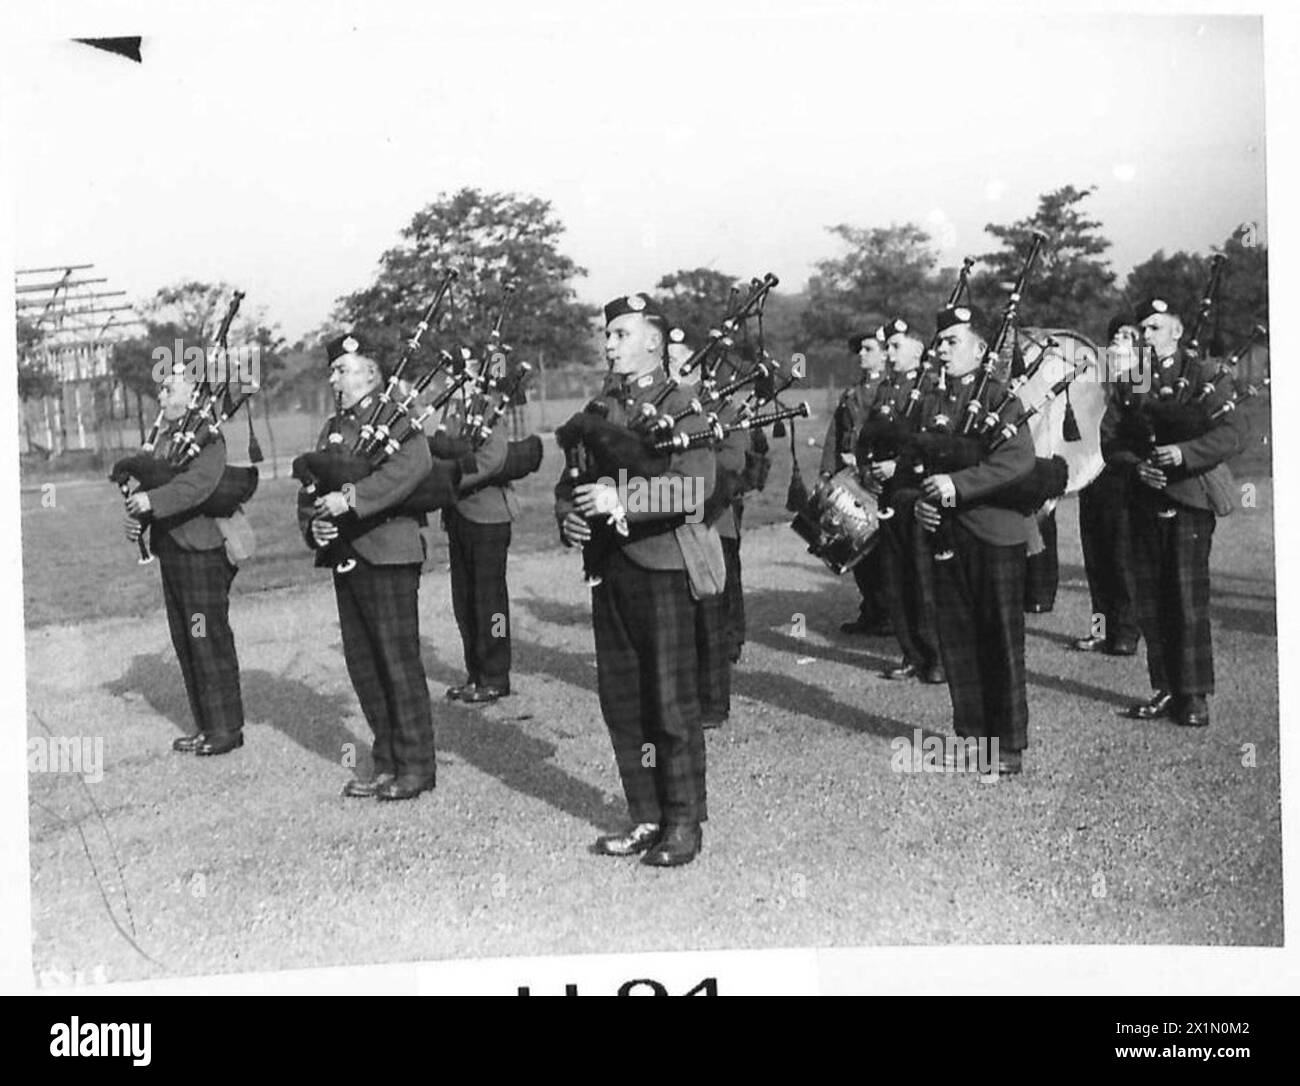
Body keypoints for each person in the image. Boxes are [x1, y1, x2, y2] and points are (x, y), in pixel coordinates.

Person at [556, 293, 721, 867]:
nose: (610, 344)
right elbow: (569, 482)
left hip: (662, 567)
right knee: (623, 700)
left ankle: (683, 821)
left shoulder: (682, 407)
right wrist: (571, 517)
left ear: (654, 340)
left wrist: (620, 498)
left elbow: (696, 489)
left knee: (670, 700)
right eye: (608, 335)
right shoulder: (600, 409)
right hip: (610, 569)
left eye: (623, 334)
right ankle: (645, 812)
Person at [300, 333, 438, 800]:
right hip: (347, 555)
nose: (334, 377)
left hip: (389, 551)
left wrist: (353, 499)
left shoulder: (396, 420)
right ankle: (387, 763)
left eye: (344, 368)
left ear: (372, 375)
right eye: (334, 369)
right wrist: (314, 527)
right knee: (364, 663)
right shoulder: (334, 428)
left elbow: (413, 467)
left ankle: (416, 766)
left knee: (397, 662)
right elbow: (313, 485)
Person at [1100, 297, 1249, 728]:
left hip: (1189, 498)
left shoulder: (1204, 374)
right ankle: (1165, 688)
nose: (1146, 336)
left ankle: (1195, 694)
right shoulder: (1133, 379)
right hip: (1145, 499)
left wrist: (1184, 453)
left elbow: (1234, 433)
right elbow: (1111, 439)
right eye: (1142, 329)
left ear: (1178, 331)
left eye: (1155, 328)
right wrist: (1137, 466)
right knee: (1151, 600)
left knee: (1186, 599)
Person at [914, 305, 1036, 775]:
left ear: (981, 349)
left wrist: (957, 487)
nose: (942, 350)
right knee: (958, 637)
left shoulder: (1003, 399)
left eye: (953, 342)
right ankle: (975, 736)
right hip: (947, 533)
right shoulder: (933, 402)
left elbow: (1019, 461)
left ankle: (1008, 744)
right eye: (940, 342)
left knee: (999, 639)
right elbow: (919, 463)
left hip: (993, 533)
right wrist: (921, 501)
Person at [124, 363, 248, 756]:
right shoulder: (165, 437)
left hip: (202, 550)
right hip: (172, 550)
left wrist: (153, 501)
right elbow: (155, 482)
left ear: (193, 394)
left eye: (170, 390)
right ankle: (206, 724)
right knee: (186, 638)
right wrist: (139, 520)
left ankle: (226, 727)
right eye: (162, 390)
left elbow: (198, 486)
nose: (162, 397)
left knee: (205, 636)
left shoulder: (207, 434)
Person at [669, 335, 748, 728]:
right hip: (670, 524)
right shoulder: (659, 408)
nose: (669, 368)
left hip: (713, 521)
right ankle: (685, 695)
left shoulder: (720, 407)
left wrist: (697, 455)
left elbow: (735, 459)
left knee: (711, 618)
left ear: (696, 368)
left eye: (677, 362)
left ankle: (714, 704)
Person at [862, 318, 945, 683]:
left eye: (896, 347)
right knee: (895, 577)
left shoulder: (932, 389)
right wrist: (869, 467)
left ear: (917, 348)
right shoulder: (885, 390)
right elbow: (869, 435)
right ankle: (910, 652)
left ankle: (937, 655)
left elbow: (932, 442)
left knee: (923, 576)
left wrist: (899, 465)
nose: (889, 354)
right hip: (889, 494)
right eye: (888, 347)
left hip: (917, 490)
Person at [442, 387, 518, 705]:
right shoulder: (454, 408)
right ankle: (475, 673)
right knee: (465, 600)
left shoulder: (489, 407)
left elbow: (493, 457)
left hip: (488, 515)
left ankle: (495, 675)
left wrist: (449, 480)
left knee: (490, 603)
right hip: (458, 514)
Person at [1073, 314, 1143, 655]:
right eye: (1116, 334)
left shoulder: (1140, 377)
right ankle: (1101, 628)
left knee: (1121, 556)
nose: (1119, 340)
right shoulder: (1095, 377)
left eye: (1129, 336)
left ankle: (1126, 631)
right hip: (1092, 473)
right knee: (1095, 556)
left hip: (1123, 476)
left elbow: (1135, 424)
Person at [822, 327, 891, 635]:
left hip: (877, 478)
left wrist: (865, 461)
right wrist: (827, 470)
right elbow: (835, 434)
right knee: (854, 544)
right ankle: (871, 609)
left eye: (868, 349)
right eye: (860, 350)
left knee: (881, 549)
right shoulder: (852, 391)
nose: (861, 355)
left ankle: (888, 612)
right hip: (851, 478)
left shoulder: (892, 390)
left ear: (886, 353)